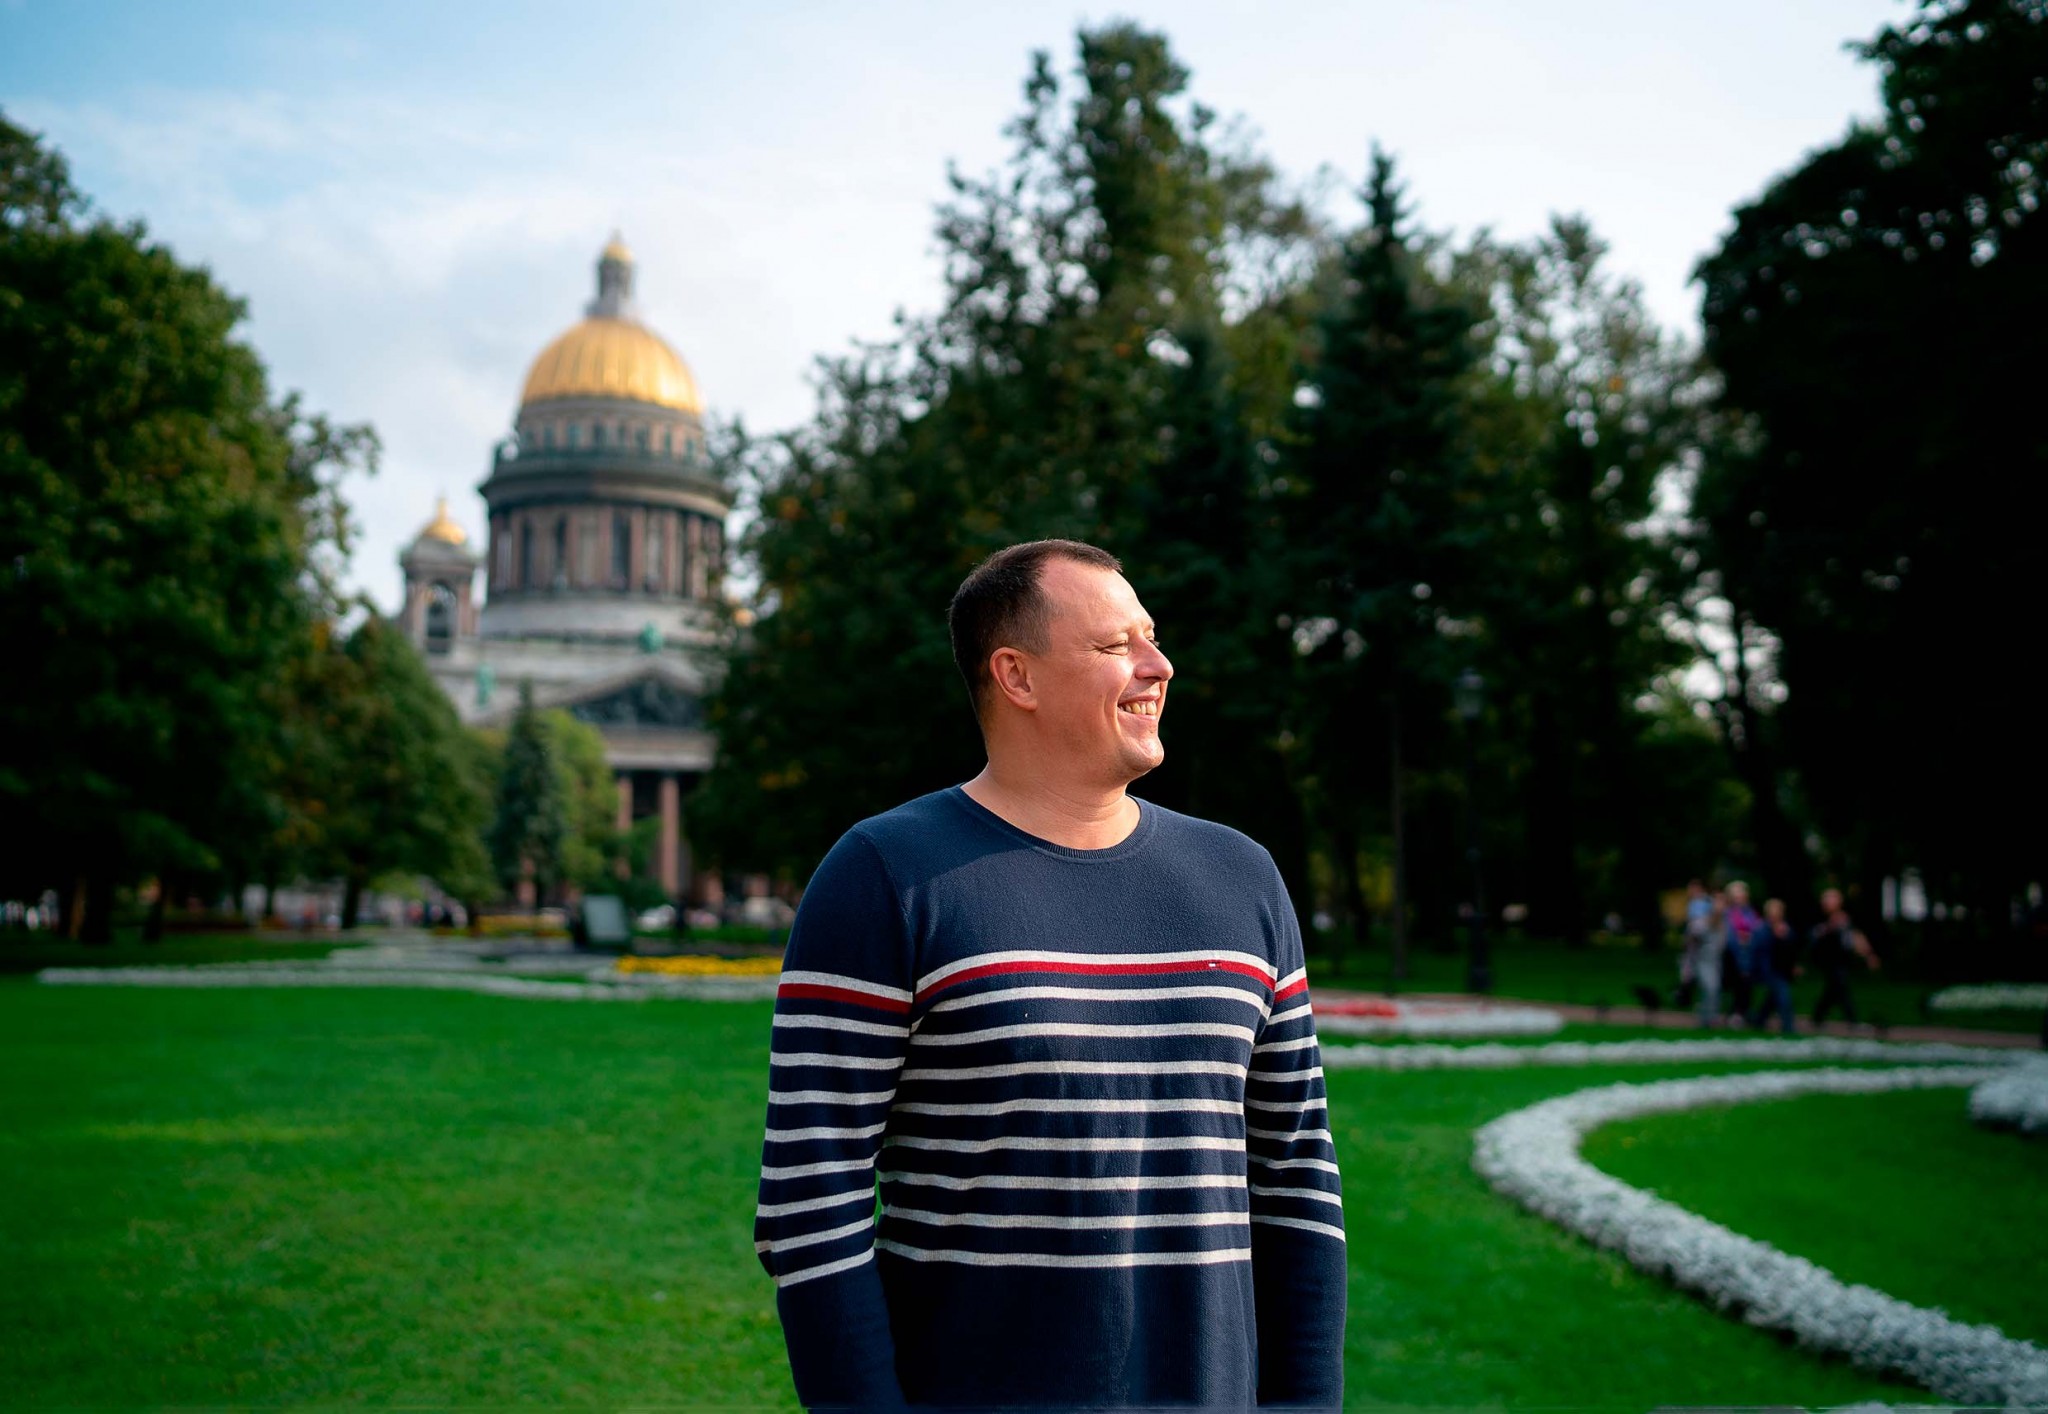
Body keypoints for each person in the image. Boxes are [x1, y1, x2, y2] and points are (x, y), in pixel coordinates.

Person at [752, 540, 1345, 1410]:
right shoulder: (884, 875)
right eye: (1115, 646)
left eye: (1152, 639)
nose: (1158, 667)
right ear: (1016, 676)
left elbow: (1297, 1178)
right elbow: (812, 1200)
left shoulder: (1242, 878)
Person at [1810, 886, 1880, 1026]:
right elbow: (1813, 937)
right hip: (1826, 959)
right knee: (1839, 986)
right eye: (1826, 899)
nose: (1827, 902)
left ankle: (1818, 1016)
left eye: (1831, 899)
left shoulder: (1845, 919)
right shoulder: (1819, 917)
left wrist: (1868, 955)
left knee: (1834, 988)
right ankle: (1851, 1019)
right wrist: (1830, 927)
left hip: (1841, 959)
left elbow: (1855, 937)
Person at [1745, 897, 1801, 1034]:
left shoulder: (1786, 929)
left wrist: (1784, 937)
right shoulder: (1761, 929)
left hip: (1782, 969)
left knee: (1773, 997)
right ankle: (1788, 1027)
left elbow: (1792, 949)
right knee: (1783, 996)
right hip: (1768, 969)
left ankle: (1759, 1020)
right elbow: (1757, 950)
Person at [1722, 881, 1763, 1024]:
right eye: (1736, 895)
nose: (1739, 898)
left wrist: (1748, 938)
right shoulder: (1728, 913)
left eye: (1741, 894)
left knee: (1747, 984)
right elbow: (1728, 935)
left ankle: (1743, 1011)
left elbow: (1758, 930)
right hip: (1733, 955)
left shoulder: (1751, 913)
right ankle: (1736, 1012)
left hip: (1750, 955)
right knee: (1738, 983)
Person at [1693, 889, 1730, 1028]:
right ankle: (1706, 1018)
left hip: (1716, 961)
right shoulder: (1702, 922)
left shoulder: (1725, 924)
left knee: (1715, 989)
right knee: (1710, 987)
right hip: (1703, 960)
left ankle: (1710, 1018)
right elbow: (1694, 939)